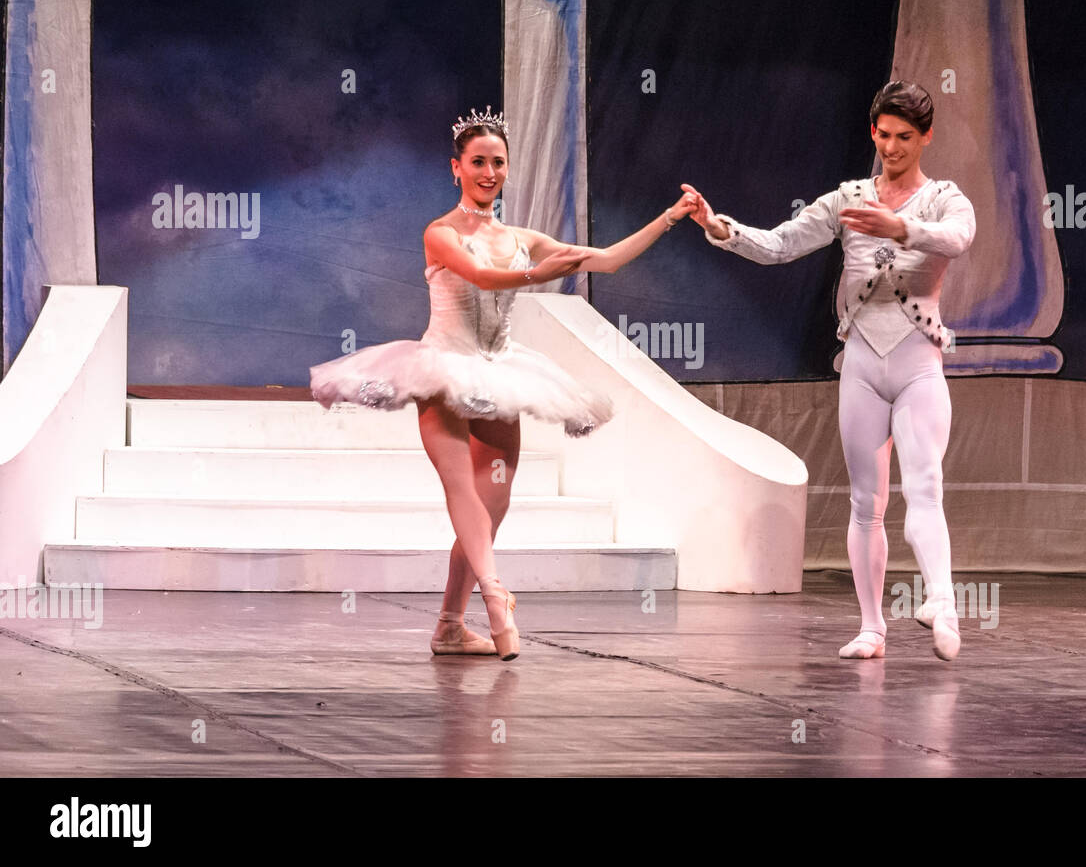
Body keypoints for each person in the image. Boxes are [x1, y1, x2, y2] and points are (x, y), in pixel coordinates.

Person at [310, 107, 698, 660]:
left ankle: (448, 625)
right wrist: (539, 273)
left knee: (492, 505)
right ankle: (495, 597)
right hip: (442, 368)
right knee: (461, 490)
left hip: (501, 371)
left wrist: (671, 215)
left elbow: (606, 262)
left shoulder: (521, 237)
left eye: (497, 162)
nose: (488, 172)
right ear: (456, 168)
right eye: (477, 162)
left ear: (507, 169)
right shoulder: (439, 233)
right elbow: (482, 277)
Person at [684, 81, 976, 661]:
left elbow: (958, 238)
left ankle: (941, 599)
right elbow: (782, 244)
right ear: (874, 132)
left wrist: (902, 229)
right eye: (884, 136)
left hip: (918, 360)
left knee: (925, 483)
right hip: (863, 362)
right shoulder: (848, 198)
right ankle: (872, 627)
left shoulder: (945, 197)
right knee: (867, 501)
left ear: (926, 138)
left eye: (905, 138)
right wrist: (723, 228)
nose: (892, 148)